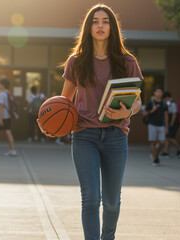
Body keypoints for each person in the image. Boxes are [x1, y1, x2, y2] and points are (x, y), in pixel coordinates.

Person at [40, 4, 143, 240]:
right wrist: (49, 123)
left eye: (105, 21)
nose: (100, 25)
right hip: (84, 135)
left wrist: (126, 113)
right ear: (88, 27)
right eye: (95, 21)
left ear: (112, 27)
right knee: (90, 198)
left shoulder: (127, 61)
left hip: (116, 136)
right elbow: (64, 102)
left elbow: (138, 102)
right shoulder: (76, 61)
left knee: (111, 203)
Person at [143, 87, 168, 166]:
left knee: (162, 142)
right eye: (157, 92)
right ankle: (155, 159)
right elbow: (144, 113)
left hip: (161, 125)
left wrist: (166, 127)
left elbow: (166, 115)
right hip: (152, 124)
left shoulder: (164, 103)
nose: (159, 93)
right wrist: (152, 111)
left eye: (160, 92)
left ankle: (155, 154)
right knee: (153, 142)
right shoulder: (151, 102)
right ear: (154, 93)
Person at [160, 91, 180, 158]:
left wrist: (171, 123)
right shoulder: (170, 103)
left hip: (173, 123)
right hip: (171, 123)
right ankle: (166, 152)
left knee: (170, 137)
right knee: (167, 137)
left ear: (167, 97)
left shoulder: (172, 103)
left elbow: (174, 114)